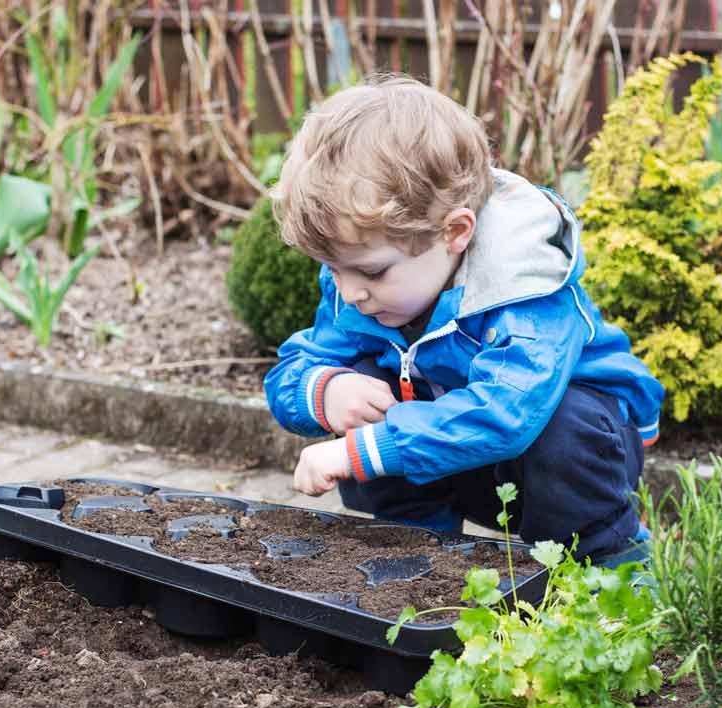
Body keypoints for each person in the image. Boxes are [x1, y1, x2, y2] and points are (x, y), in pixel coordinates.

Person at [262, 75, 664, 568]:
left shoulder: (526, 288)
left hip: (575, 464)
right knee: (371, 394)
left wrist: (363, 451)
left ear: (454, 232)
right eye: (333, 269)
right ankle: (415, 556)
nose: (349, 291)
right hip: (460, 455)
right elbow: (294, 366)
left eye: (370, 270)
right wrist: (325, 390)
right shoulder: (362, 290)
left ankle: (610, 564)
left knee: (564, 427)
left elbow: (506, 413)